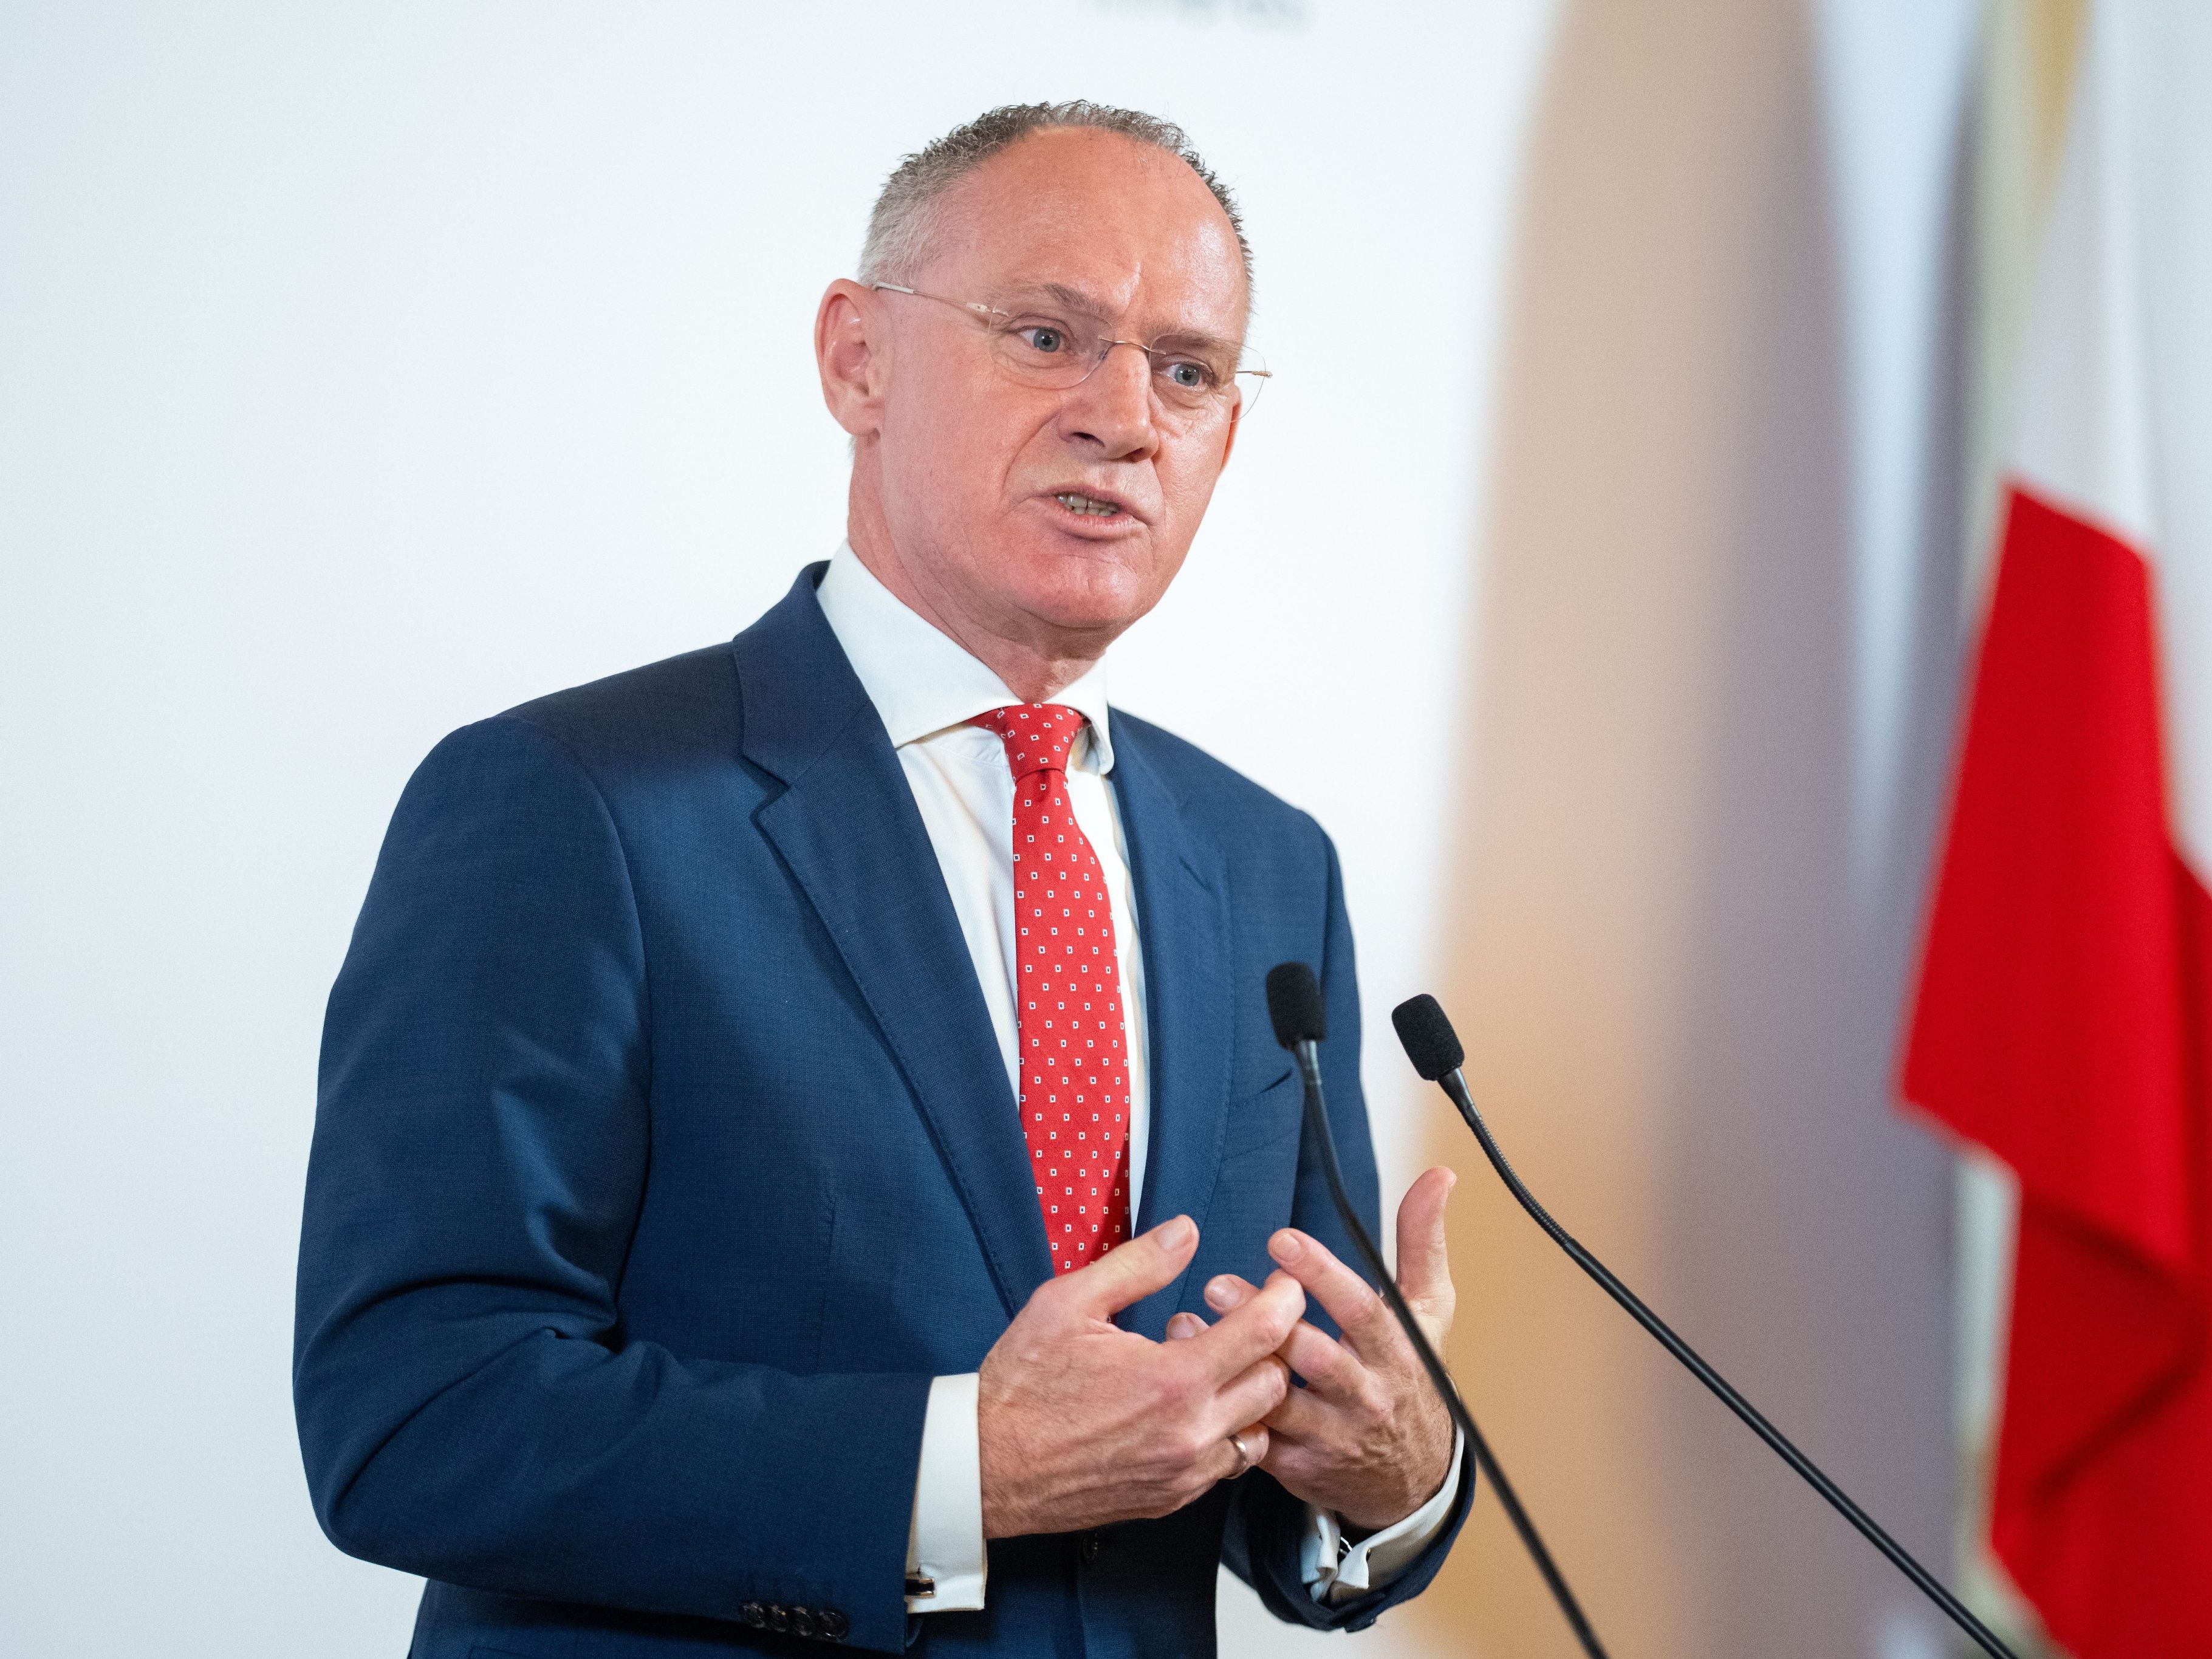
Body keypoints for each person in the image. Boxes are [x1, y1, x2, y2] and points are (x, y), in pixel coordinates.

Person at [295, 101, 1471, 1657]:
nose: (1126, 417)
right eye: (1048, 337)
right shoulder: (571, 802)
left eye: (1188, 371)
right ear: (858, 359)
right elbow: (415, 1414)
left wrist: (1398, 1473)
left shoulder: (1265, 864)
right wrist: (960, 1469)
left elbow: (1256, 1436)